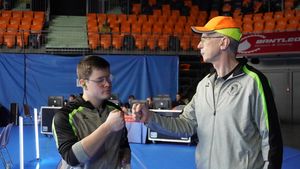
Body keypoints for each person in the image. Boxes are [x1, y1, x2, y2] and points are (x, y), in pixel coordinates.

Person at [131, 16, 283, 169]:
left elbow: (271, 140)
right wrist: (150, 117)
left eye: (204, 39)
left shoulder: (254, 82)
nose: (198, 45)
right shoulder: (204, 85)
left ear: (223, 42)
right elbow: (185, 124)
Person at [52, 56, 131, 169]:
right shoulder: (64, 116)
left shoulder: (115, 111)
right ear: (83, 83)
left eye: (109, 78)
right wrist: (108, 127)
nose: (107, 84)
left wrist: (125, 156)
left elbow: (123, 143)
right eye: (100, 80)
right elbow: (72, 158)